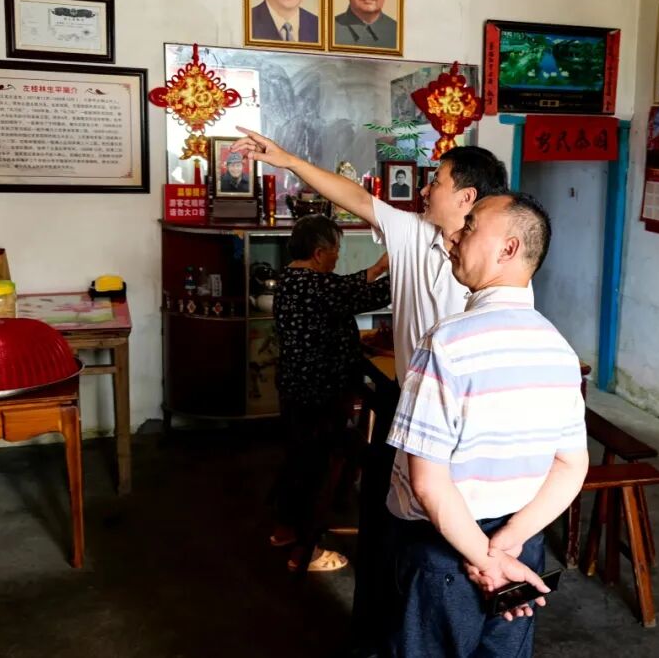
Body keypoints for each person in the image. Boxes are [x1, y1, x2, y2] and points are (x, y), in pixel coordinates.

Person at [229, 127, 509, 654]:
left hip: (470, 415)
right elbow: (353, 196)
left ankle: (448, 627)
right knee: (394, 532)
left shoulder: (496, 259)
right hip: (409, 405)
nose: (424, 188)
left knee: (455, 534)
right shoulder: (412, 232)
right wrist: (288, 160)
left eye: (437, 181)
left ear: (467, 196)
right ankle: (382, 638)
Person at [384, 192, 588, 656]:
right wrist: (506, 545)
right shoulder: (559, 349)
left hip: (445, 554)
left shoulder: (446, 343)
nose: (454, 236)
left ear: (508, 249)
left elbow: (429, 484)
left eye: (470, 226)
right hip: (519, 549)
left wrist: (485, 559)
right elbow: (571, 465)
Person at [269, 215, 390, 573]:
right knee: (316, 470)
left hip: (295, 388)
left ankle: (284, 530)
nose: (338, 256)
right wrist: (411, 273)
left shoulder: (291, 279)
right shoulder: (318, 287)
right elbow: (367, 294)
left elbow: (345, 287)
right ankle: (306, 552)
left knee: (297, 461)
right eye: (336, 250)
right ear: (320, 253)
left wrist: (378, 267)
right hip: (320, 392)